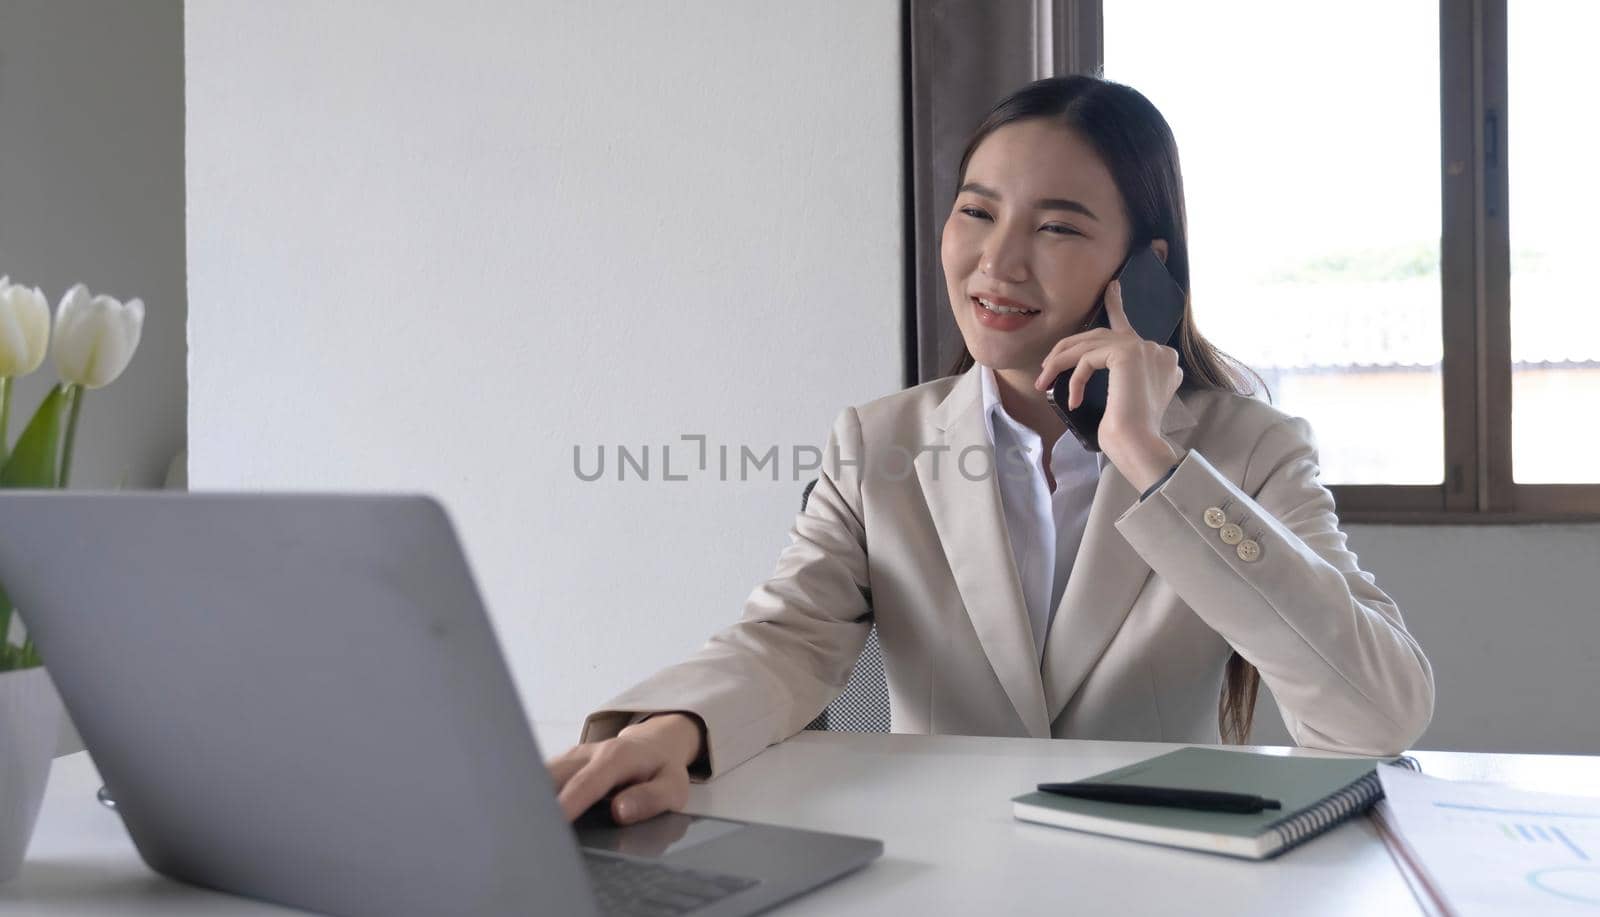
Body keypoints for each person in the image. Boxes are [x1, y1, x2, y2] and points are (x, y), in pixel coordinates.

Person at [547, 74, 1435, 828]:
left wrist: (1149, 458)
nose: (997, 262)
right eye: (978, 211)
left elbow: (1375, 715)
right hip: (940, 868)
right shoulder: (880, 442)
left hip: (1167, 876)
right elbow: (784, 641)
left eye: (1056, 228)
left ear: (1144, 269)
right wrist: (669, 730)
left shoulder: (1250, 448)